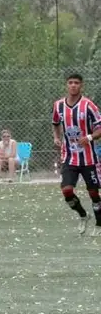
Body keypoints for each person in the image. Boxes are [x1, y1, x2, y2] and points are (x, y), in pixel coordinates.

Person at [52, 73, 101, 236]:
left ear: (81, 85)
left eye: (77, 83)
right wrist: (56, 137)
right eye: (70, 82)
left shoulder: (88, 105)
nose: (73, 85)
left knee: (93, 193)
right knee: (66, 190)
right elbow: (55, 123)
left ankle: (99, 224)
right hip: (69, 157)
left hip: (88, 158)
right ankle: (83, 215)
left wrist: (89, 137)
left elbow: (99, 127)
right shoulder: (58, 105)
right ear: (66, 85)